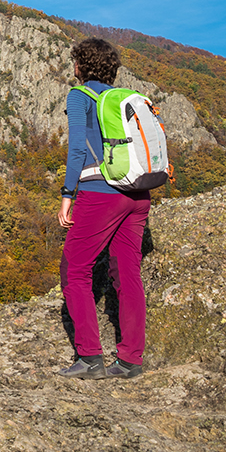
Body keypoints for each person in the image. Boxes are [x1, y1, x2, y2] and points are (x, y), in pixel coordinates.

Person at [56, 37, 151, 380]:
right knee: (127, 273)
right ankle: (130, 361)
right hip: (137, 194)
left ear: (80, 65)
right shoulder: (125, 99)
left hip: (101, 193)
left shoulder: (79, 95)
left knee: (74, 269)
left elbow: (77, 150)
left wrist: (68, 195)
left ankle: (90, 358)